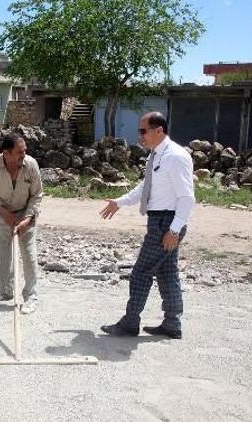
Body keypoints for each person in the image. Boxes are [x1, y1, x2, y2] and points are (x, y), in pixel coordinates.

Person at [98, 111, 194, 339]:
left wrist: (174, 229)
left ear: (158, 130)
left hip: (166, 223)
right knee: (167, 273)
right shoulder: (157, 156)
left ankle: (130, 323)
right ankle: (172, 323)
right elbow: (145, 188)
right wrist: (119, 202)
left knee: (140, 273)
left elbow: (186, 197)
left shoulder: (175, 156)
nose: (140, 136)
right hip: (160, 220)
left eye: (143, 131)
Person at [0, 132, 43, 314]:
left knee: (29, 255)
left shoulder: (31, 165)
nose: (24, 155)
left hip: (26, 214)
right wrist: (3, 211)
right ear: (6, 154)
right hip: (2, 214)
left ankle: (31, 296)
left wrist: (27, 219)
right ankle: (5, 291)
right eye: (19, 152)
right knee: (2, 256)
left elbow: (37, 195)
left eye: (25, 151)